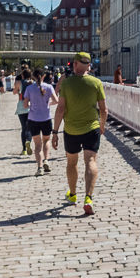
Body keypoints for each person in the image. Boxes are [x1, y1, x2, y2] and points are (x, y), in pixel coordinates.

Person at [51, 52, 107, 215]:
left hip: (71, 130)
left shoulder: (67, 84)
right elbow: (103, 109)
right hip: (91, 128)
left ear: (75, 65)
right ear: (89, 65)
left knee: (72, 162)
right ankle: (88, 198)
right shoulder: (96, 83)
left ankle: (73, 194)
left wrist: (55, 131)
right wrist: (102, 125)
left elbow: (60, 109)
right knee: (90, 160)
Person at [25, 72, 58, 177]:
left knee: (37, 144)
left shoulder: (29, 89)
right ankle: (46, 160)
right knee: (46, 140)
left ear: (33, 77)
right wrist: (49, 103)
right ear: (43, 76)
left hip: (33, 119)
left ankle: (39, 167)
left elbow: (25, 104)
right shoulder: (48, 87)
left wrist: (31, 104)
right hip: (46, 118)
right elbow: (56, 100)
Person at [14, 69, 33, 155]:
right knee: (30, 127)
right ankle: (28, 141)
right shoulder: (33, 83)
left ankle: (24, 149)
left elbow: (14, 92)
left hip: (21, 106)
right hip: (31, 106)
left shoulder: (19, 83)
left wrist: (18, 91)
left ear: (22, 76)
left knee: (23, 127)